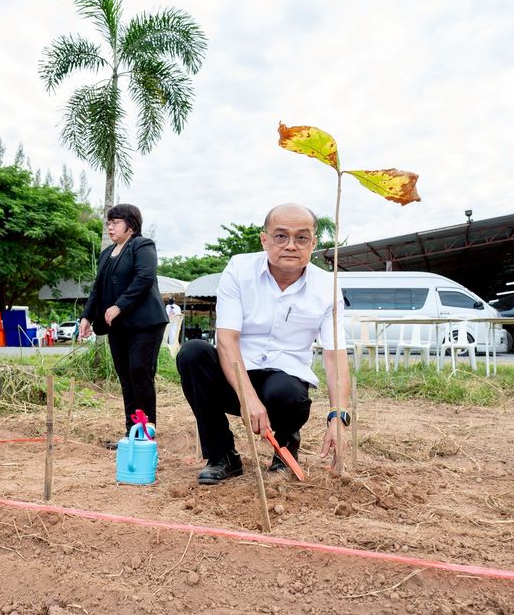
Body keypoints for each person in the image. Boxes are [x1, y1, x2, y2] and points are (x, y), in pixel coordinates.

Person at [176, 203, 351, 485]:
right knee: (192, 353)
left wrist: (338, 416)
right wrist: (248, 398)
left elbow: (335, 356)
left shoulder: (326, 287)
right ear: (264, 239)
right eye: (281, 236)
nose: (291, 245)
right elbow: (227, 339)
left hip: (285, 382)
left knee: (286, 392)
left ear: (313, 243)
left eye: (301, 237)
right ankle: (222, 456)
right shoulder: (239, 269)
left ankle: (285, 453)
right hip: (235, 376)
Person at [79, 204, 168, 436]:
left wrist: (119, 306)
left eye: (116, 222)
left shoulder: (142, 245)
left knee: (139, 371)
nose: (110, 226)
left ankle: (147, 431)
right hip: (117, 327)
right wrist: (87, 316)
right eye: (109, 222)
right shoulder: (106, 254)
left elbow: (144, 278)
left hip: (146, 323)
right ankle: (132, 431)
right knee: (126, 377)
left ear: (131, 225)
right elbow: (97, 289)